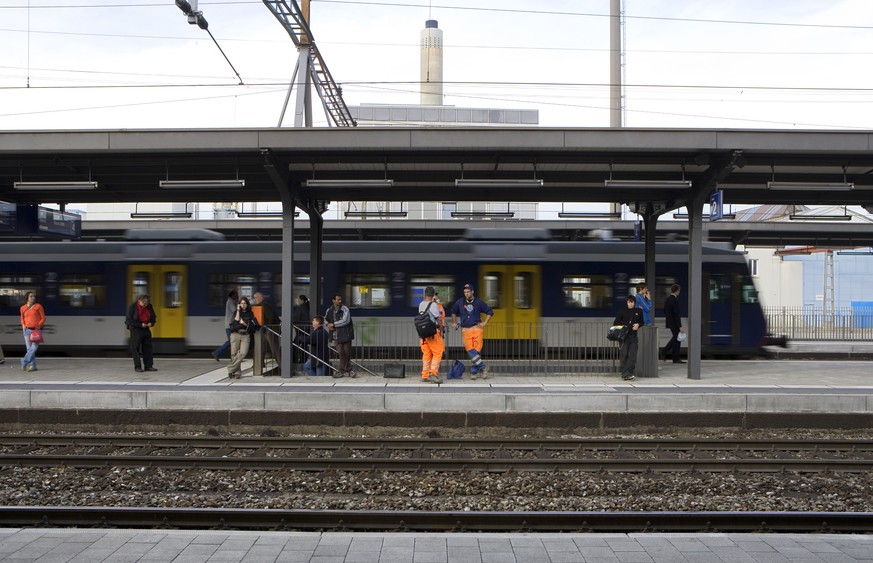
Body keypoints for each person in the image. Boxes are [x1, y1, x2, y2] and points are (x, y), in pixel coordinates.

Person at [450, 283, 493, 380]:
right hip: (466, 330)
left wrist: (484, 322)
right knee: (471, 351)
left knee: (476, 352)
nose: (466, 294)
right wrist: (454, 322)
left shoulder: (478, 302)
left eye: (468, 292)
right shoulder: (460, 302)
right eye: (465, 292)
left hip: (477, 329)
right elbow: (453, 311)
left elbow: (490, 311)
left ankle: (473, 372)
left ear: (472, 292)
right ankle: (483, 367)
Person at [418, 286, 445, 384]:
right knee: (438, 353)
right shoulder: (433, 305)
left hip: (423, 335)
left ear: (425, 294)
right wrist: (441, 331)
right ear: (433, 295)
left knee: (427, 354)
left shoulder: (421, 304)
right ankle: (433, 373)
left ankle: (425, 375)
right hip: (433, 334)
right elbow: (438, 319)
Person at [613, 295, 643, 381]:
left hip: (633, 336)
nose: (630, 304)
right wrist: (623, 326)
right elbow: (616, 322)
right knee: (624, 355)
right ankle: (625, 373)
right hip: (624, 337)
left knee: (632, 355)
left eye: (632, 302)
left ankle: (628, 373)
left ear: (634, 303)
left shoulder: (639, 311)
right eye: (629, 302)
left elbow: (642, 322)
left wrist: (638, 325)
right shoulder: (622, 311)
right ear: (627, 303)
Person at [125, 294, 157, 374]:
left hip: (146, 329)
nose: (146, 304)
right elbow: (128, 321)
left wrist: (151, 323)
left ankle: (148, 366)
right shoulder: (132, 307)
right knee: (135, 349)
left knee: (147, 348)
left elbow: (153, 317)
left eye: (147, 302)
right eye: (144, 302)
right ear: (139, 301)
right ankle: (138, 367)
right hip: (136, 330)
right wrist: (140, 324)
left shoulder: (149, 306)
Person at [325, 293, 354, 378]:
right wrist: (327, 325)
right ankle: (349, 370)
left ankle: (342, 371)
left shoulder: (345, 309)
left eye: (340, 299)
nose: (340, 301)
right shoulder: (329, 310)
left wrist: (333, 324)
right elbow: (325, 319)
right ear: (333, 300)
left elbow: (346, 321)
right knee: (341, 353)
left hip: (345, 335)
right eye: (338, 299)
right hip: (335, 335)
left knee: (347, 352)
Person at [253, 292, 281, 373]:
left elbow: (271, 318)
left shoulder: (265, 305)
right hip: (265, 331)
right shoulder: (261, 306)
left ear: (261, 297)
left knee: (275, 349)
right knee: (261, 347)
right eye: (254, 298)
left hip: (271, 330)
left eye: (256, 298)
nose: (255, 300)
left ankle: (282, 365)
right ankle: (260, 363)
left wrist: (266, 327)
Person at [227, 296, 255, 379]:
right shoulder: (236, 312)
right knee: (234, 354)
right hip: (235, 334)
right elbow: (235, 322)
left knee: (243, 353)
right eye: (241, 303)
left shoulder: (250, 313)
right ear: (239, 304)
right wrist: (238, 311)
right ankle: (237, 372)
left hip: (245, 335)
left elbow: (251, 325)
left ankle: (230, 368)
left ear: (247, 304)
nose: (243, 305)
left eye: (245, 303)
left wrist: (244, 324)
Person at [20, 291, 46, 372]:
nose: (33, 297)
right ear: (27, 297)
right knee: (29, 349)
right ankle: (33, 366)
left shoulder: (38, 306)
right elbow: (22, 318)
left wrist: (38, 326)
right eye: (31, 296)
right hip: (27, 330)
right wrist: (23, 325)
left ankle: (24, 361)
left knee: (33, 348)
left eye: (34, 296)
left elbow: (43, 318)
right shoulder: (22, 308)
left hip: (36, 330)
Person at [212, 290, 238, 361]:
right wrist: (237, 304)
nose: (237, 296)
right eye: (236, 294)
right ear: (232, 295)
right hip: (230, 325)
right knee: (231, 341)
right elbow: (235, 310)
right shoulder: (230, 302)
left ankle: (232, 357)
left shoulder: (230, 302)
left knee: (232, 341)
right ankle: (217, 353)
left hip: (229, 325)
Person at [663, 284, 685, 364]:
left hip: (670, 322)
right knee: (677, 338)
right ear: (677, 291)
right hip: (675, 323)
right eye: (679, 290)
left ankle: (674, 357)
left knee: (676, 338)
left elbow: (665, 311)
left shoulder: (668, 299)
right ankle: (666, 352)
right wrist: (680, 326)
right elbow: (676, 314)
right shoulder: (675, 300)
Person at [292, 295, 311, 369]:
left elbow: (296, 317)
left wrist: (292, 322)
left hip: (300, 328)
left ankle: (295, 360)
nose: (298, 301)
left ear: (302, 300)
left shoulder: (300, 308)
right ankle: (303, 359)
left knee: (295, 344)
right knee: (304, 344)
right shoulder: (307, 307)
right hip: (306, 329)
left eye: (299, 300)